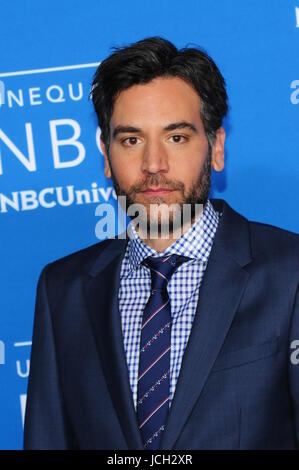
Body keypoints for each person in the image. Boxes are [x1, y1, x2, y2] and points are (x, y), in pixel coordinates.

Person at [24, 37, 299, 450]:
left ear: (216, 148)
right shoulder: (62, 291)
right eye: (131, 140)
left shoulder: (290, 272)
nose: (154, 165)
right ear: (105, 154)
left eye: (176, 138)